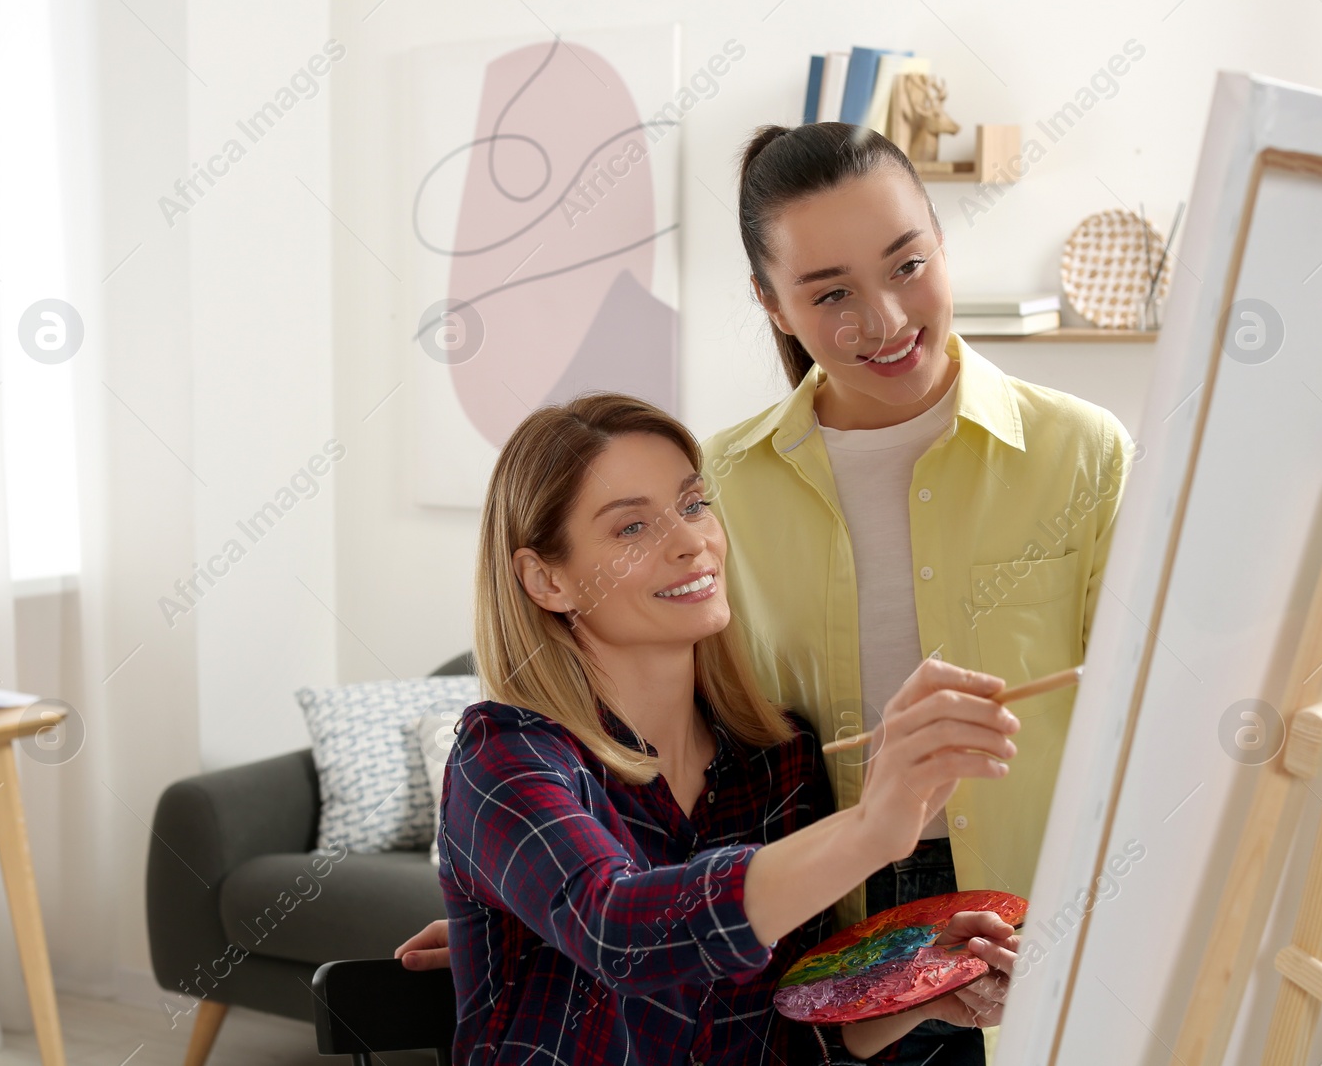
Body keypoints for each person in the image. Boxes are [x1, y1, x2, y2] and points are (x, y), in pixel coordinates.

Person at [694, 121, 1134, 1062]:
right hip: (828, 934)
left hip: (1042, 912)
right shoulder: (718, 487)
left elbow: (1141, 717)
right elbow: (667, 740)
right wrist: (546, 911)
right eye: (831, 293)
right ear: (771, 305)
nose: (887, 321)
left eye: (906, 265)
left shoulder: (1084, 452)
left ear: (940, 237)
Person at [421, 392, 1021, 1064]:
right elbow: (620, 932)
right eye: (631, 528)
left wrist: (922, 994)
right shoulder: (504, 758)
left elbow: (798, 1022)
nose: (690, 541)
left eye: (693, 503)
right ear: (546, 580)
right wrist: (872, 829)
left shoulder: (779, 760)